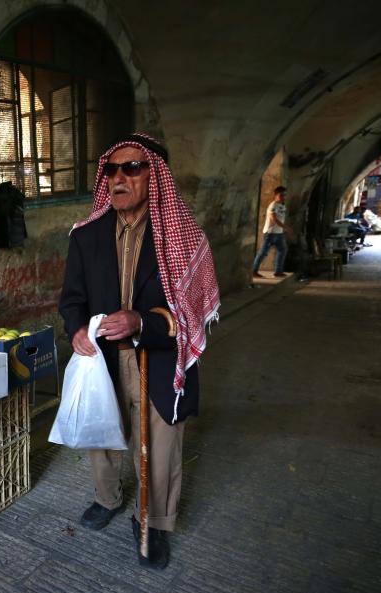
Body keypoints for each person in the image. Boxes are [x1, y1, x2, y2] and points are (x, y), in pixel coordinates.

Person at [58, 133, 221, 569]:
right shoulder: (86, 236)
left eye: (132, 168)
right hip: (104, 357)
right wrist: (76, 330)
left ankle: (155, 520)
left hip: (161, 358)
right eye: (111, 170)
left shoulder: (183, 239)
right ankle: (106, 497)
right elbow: (72, 299)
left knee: (162, 446)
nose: (118, 178)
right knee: (103, 434)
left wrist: (141, 322)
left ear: (156, 174)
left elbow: (191, 314)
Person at [252, 186, 291, 278]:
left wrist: (283, 229)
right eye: (281, 195)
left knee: (283, 250)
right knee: (263, 252)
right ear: (275, 195)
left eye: (284, 195)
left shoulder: (282, 205)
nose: (283, 197)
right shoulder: (273, 205)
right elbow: (274, 219)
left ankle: (278, 271)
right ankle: (254, 271)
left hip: (279, 233)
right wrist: (286, 228)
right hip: (270, 233)